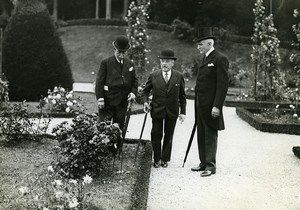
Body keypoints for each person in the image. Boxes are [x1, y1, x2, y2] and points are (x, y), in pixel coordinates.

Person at [191, 28, 229, 177]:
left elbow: (223, 85)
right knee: (201, 134)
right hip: (200, 104)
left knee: (210, 134)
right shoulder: (206, 58)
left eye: (200, 44)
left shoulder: (220, 58)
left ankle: (211, 166)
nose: (198, 47)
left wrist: (217, 106)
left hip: (211, 105)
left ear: (209, 43)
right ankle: (203, 163)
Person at [143, 49, 186, 168]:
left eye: (167, 61)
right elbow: (145, 91)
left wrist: (183, 112)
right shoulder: (154, 76)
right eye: (162, 61)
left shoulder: (178, 76)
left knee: (169, 134)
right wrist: (146, 102)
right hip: (157, 109)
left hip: (172, 111)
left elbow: (182, 96)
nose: (164, 64)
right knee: (156, 134)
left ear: (173, 63)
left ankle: (164, 159)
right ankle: (156, 159)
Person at [95, 35, 138, 131]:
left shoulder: (130, 64)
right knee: (104, 126)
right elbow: (99, 81)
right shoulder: (106, 63)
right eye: (119, 52)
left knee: (119, 127)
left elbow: (134, 81)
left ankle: (118, 145)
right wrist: (100, 98)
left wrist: (133, 93)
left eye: (124, 52)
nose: (121, 55)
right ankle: (103, 146)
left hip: (122, 102)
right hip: (108, 101)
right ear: (114, 49)